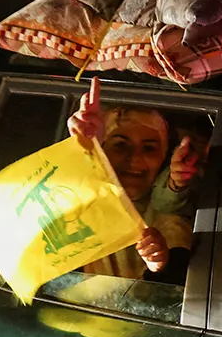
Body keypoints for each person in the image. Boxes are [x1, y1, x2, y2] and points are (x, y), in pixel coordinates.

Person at [67, 77, 201, 284]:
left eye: (149, 148)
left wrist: (161, 265)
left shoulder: (167, 220)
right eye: (120, 145)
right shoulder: (73, 202)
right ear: (103, 149)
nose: (135, 158)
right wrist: (80, 149)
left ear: (163, 157)